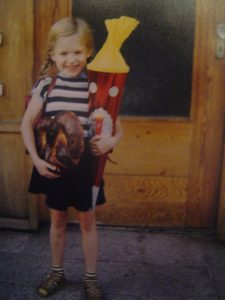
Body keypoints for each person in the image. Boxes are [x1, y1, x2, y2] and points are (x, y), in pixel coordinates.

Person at [21, 17, 123, 299]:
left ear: (89, 51)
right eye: (64, 53)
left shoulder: (96, 86)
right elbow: (26, 124)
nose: (71, 59)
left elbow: (116, 122)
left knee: (88, 220)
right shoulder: (46, 86)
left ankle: (90, 279)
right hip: (54, 164)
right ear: (53, 55)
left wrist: (111, 141)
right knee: (57, 220)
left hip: (87, 167)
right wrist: (36, 160)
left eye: (77, 52)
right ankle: (57, 272)